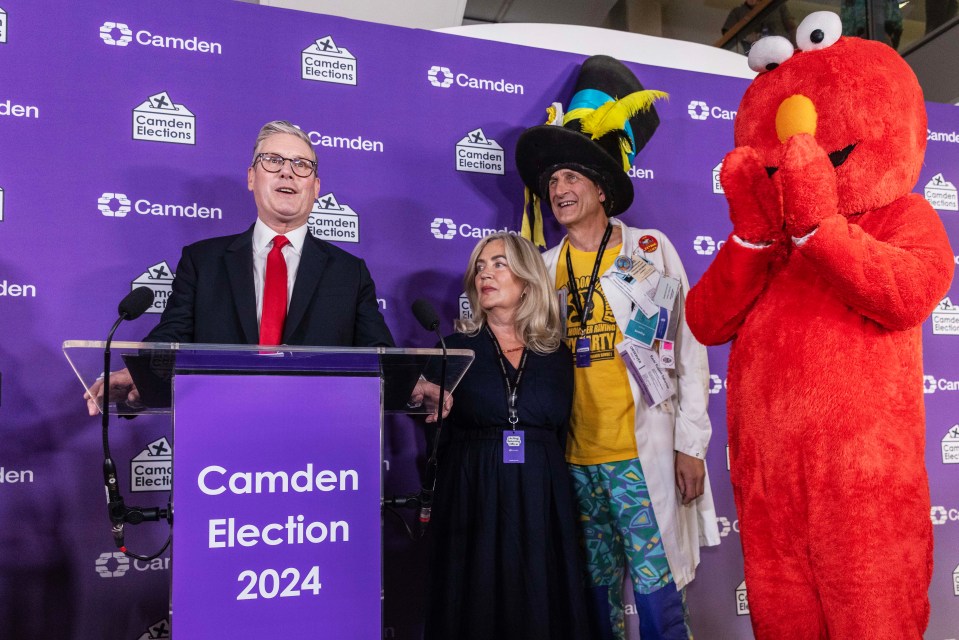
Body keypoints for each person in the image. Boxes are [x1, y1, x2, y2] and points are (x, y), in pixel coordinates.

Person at [515, 55, 719, 640]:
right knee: (593, 600)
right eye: (552, 181)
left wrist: (691, 446)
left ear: (602, 188)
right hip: (574, 461)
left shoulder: (650, 250)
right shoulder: (544, 267)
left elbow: (689, 350)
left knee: (658, 600)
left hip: (639, 456)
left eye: (571, 178)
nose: (558, 190)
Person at [86, 120, 394, 415]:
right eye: (273, 160)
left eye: (301, 165)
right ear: (251, 177)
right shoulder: (202, 262)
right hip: (221, 429)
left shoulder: (349, 273)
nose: (287, 172)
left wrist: (413, 384)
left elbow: (381, 356)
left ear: (315, 187)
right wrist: (142, 375)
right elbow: (171, 337)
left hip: (321, 434)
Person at [424, 232, 590, 640]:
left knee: (540, 598)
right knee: (475, 601)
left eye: (498, 264)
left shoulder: (556, 355)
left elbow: (559, 428)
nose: (485, 274)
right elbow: (433, 429)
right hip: (473, 491)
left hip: (540, 494)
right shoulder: (453, 350)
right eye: (480, 267)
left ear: (528, 280)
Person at [721, 0, 797, 53]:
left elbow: (791, 27)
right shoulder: (737, 12)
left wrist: (796, 49)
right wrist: (746, 36)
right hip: (755, 56)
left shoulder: (776, 4)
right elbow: (727, 33)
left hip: (782, 50)